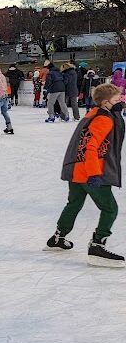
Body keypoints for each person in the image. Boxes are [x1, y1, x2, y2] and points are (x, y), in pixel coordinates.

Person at [44, 83, 125, 268]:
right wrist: (95, 174)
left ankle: (58, 237)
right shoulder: (104, 119)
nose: (119, 102)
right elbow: (90, 147)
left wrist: (116, 113)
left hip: (76, 171)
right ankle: (97, 245)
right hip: (91, 171)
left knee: (74, 203)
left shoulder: (92, 113)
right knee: (110, 208)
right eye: (116, 100)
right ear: (105, 102)